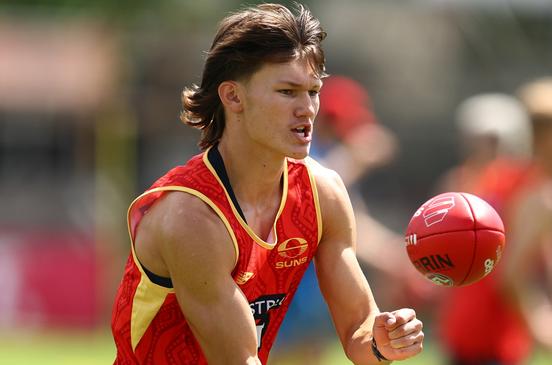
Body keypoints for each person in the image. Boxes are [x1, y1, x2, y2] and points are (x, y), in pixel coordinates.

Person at [110, 4, 424, 365]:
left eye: (313, 91)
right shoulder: (192, 217)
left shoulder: (324, 192)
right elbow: (240, 359)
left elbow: (359, 330)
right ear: (233, 97)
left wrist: (382, 343)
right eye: (288, 92)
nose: (307, 108)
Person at [436, 77, 552, 365]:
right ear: (548, 137)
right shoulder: (545, 195)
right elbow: (510, 276)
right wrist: (542, 321)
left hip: (459, 327)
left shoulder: (494, 177)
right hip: (495, 339)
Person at [271, 76, 405, 364]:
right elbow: (307, 190)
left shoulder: (333, 158)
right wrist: (355, 158)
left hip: (314, 292)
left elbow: (353, 225)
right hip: (285, 285)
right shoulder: (305, 153)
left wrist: (395, 256)